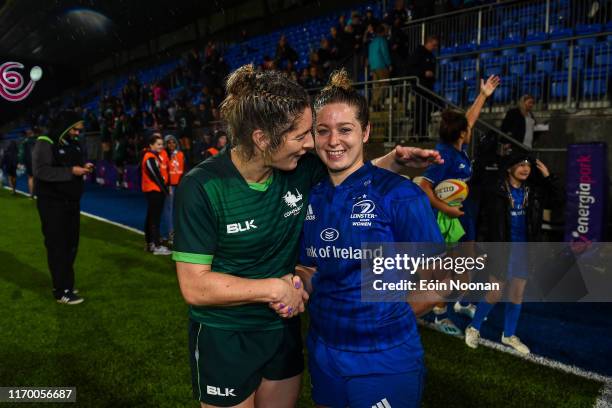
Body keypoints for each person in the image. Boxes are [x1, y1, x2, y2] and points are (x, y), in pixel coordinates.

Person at [173, 64, 443, 408]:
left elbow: (352, 170)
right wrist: (275, 286)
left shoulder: (299, 168)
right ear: (262, 139)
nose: (311, 145)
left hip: (285, 331)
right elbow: (194, 286)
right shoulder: (203, 187)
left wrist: (394, 160)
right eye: (304, 135)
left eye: (308, 134)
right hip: (227, 333)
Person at [294, 70, 444, 408]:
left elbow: (442, 275)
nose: (334, 141)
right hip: (323, 354)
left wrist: (392, 319)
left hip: (384, 360)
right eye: (323, 131)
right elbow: (310, 269)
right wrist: (295, 284)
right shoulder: (313, 198)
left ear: (366, 131)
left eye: (345, 130)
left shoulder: (401, 195)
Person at [420, 75, 500, 336]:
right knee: (447, 270)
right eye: (467, 128)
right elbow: (423, 186)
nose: (470, 128)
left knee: (467, 263)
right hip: (446, 219)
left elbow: (470, 118)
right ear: (461, 133)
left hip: (461, 215)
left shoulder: (458, 146)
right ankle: (439, 314)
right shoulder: (444, 156)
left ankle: (462, 301)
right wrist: (446, 210)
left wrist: (483, 96)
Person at [464, 154, 562, 354]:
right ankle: (473, 327)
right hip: (502, 250)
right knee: (495, 292)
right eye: (520, 165)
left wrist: (548, 177)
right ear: (509, 168)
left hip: (525, 251)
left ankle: (508, 335)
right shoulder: (496, 191)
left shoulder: (533, 191)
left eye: (527, 165)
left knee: (517, 294)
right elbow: (483, 220)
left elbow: (560, 199)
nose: (525, 168)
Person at [32, 110, 94, 304]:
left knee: (71, 245)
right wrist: (71, 171)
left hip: (71, 203)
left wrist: (84, 166)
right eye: (75, 129)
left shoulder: (71, 143)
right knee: (58, 246)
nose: (77, 133)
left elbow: (71, 165)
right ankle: (61, 290)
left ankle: (66, 283)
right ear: (66, 126)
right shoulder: (45, 142)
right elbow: (41, 171)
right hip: (52, 204)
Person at [141, 133, 171, 256]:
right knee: (155, 219)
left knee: (151, 217)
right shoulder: (149, 157)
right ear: (151, 145)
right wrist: (165, 190)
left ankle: (150, 244)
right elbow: (156, 176)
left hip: (154, 191)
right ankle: (156, 245)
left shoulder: (153, 156)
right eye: (158, 144)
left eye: (161, 144)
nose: (161, 146)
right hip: (154, 191)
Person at [408, 35, 440, 138]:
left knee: (426, 111)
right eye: (434, 45)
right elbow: (410, 69)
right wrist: (423, 73)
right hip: (420, 87)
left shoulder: (431, 56)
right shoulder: (418, 53)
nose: (435, 48)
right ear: (428, 42)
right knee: (419, 111)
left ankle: (422, 133)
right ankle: (416, 133)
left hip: (428, 87)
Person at [163, 135, 185, 244]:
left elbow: (183, 170)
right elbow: (164, 171)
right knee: (169, 209)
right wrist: (167, 185)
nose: (171, 145)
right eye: (169, 143)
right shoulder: (164, 155)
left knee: (178, 209)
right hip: (170, 186)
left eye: (173, 142)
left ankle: (179, 231)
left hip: (179, 185)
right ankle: (171, 233)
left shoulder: (180, 154)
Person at [368, 24, 392, 109]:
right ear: (383, 31)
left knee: (376, 86)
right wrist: (389, 64)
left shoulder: (372, 42)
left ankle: (375, 103)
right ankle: (377, 102)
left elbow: (370, 56)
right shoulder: (382, 40)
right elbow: (385, 53)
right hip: (382, 66)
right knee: (385, 84)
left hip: (373, 67)